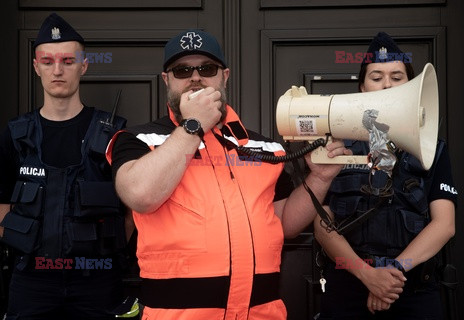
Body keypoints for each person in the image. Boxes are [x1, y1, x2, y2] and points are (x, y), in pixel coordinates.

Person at [106, 29, 350, 320]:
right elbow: (140, 195)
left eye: (207, 69)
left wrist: (319, 179)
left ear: (225, 76)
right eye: (182, 70)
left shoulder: (263, 146)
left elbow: (283, 223)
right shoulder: (138, 139)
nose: (195, 77)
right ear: (166, 79)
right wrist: (193, 125)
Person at [0, 13, 134, 320]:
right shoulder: (15, 134)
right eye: (48, 61)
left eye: (68, 61)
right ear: (36, 67)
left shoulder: (113, 134)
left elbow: (131, 212)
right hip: (31, 281)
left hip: (97, 278)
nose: (58, 70)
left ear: (83, 66)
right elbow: (0, 208)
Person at [314, 32, 457, 319]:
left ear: (411, 85)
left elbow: (445, 225)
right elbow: (321, 224)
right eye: (376, 77)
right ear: (363, 88)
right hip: (349, 287)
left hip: (412, 289)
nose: (387, 84)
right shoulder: (336, 149)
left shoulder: (432, 149)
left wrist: (391, 275)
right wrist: (368, 276)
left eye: (397, 76)